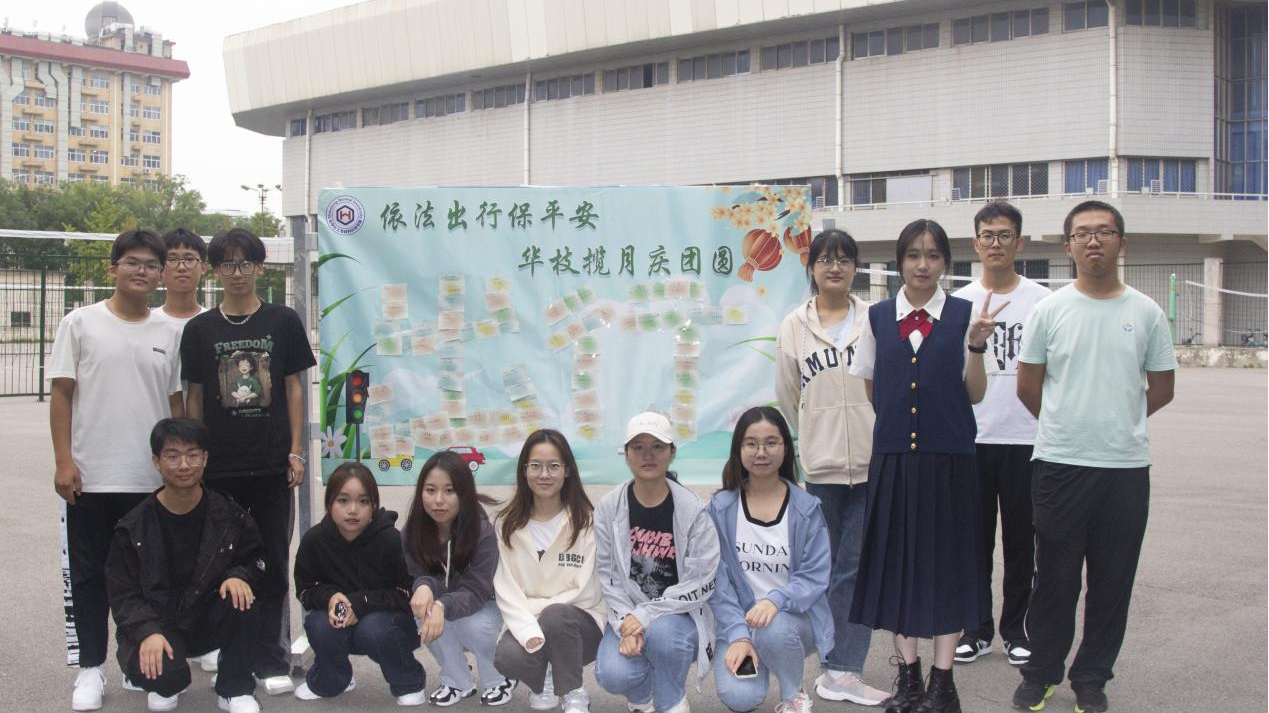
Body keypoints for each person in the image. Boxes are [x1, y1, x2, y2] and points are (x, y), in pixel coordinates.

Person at [1011, 201, 1176, 713]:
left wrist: (1117, 421)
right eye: (1082, 233)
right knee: (1055, 579)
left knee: (1112, 581)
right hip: (1060, 465)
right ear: (1068, 246)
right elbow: (1028, 386)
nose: (1093, 241)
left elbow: (1162, 388)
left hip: (1125, 470)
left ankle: (1092, 678)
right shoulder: (1050, 310)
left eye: (1104, 232)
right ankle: (1041, 674)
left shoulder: (1146, 312)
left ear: (1122, 242)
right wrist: (1068, 424)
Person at [848, 219, 1000, 713]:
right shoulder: (877, 317)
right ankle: (909, 677)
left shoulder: (965, 316)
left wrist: (975, 346)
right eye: (913, 255)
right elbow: (873, 387)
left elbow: (974, 393)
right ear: (899, 262)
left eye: (933, 256)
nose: (922, 265)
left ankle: (943, 682)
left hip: (950, 460)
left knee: (947, 567)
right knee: (898, 566)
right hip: (894, 461)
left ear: (946, 264)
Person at [48, 229, 184, 711]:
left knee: (150, 580)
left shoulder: (169, 333)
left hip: (150, 482)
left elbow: (176, 405)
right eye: (132, 262)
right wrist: (64, 461)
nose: (142, 271)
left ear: (160, 274)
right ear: (113, 268)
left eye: (151, 264)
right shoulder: (80, 323)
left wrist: (177, 467)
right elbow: (61, 393)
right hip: (91, 478)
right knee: (90, 577)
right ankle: (90, 668)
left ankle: (140, 665)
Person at [179, 227, 316, 694]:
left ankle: (271, 656)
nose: (237, 273)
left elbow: (294, 389)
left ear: (260, 267)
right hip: (220, 468)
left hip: (273, 465)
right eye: (227, 264)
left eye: (245, 264)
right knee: (220, 564)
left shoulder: (283, 321)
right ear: (214, 271)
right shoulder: (200, 330)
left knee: (273, 562)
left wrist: (295, 450)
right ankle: (227, 651)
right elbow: (195, 397)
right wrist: (197, 457)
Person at [775, 228, 887, 706]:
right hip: (821, 468)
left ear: (855, 267)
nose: (834, 267)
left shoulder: (875, 319)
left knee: (855, 568)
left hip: (871, 463)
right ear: (812, 268)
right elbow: (788, 395)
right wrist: (809, 438)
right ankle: (831, 664)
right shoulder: (794, 325)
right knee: (825, 570)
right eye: (825, 259)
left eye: (843, 259)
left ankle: (843, 669)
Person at [105, 418, 264, 713]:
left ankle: (235, 688)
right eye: (172, 456)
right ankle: (168, 676)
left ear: (205, 458)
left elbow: (254, 557)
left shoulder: (229, 514)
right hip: (159, 622)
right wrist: (146, 631)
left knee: (242, 598)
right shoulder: (134, 526)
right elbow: (122, 593)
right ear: (156, 461)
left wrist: (239, 575)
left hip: (206, 617)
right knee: (167, 678)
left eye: (192, 455)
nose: (183, 465)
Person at [950, 202, 1050, 667]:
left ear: (1019, 242)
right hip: (971, 440)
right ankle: (975, 629)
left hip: (1026, 439)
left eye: (1004, 235)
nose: (995, 243)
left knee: (1021, 544)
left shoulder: (1043, 301)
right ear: (975, 243)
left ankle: (1017, 629)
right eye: (987, 235)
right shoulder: (958, 303)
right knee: (972, 542)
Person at [708, 407, 833, 713]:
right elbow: (717, 582)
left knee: (772, 627)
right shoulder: (720, 508)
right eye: (751, 443)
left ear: (786, 448)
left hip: (793, 620)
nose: (761, 452)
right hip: (738, 621)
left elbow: (814, 576)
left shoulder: (806, 508)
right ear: (738, 449)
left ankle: (793, 695)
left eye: (771, 442)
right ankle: (758, 651)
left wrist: (775, 600)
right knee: (740, 699)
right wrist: (739, 635)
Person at [594, 412, 720, 713]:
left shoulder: (693, 510)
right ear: (626, 454)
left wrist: (646, 615)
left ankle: (670, 700)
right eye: (638, 447)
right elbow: (607, 575)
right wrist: (626, 623)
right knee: (612, 673)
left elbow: (702, 579)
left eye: (657, 447)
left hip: (678, 614)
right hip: (628, 611)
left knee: (663, 636)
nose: (647, 455)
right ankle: (643, 696)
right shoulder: (609, 507)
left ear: (672, 452)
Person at [292, 462, 425, 705]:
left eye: (363, 501)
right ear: (329, 503)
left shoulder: (390, 539)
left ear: (374, 505)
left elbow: (407, 591)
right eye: (343, 500)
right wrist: (331, 598)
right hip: (338, 619)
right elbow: (304, 589)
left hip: (387, 622)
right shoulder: (315, 540)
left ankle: (408, 681)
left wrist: (360, 602)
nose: (353, 510)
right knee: (318, 624)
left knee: (374, 628)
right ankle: (331, 680)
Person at [493, 430, 604, 713]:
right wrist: (530, 625)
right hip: (528, 619)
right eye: (536, 466)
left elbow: (587, 590)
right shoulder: (506, 524)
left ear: (567, 471)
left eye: (554, 466)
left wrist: (539, 612)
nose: (544, 474)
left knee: (556, 617)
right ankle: (544, 681)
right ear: (524, 470)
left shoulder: (587, 522)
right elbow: (506, 588)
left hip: (579, 622)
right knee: (508, 658)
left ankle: (573, 690)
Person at [402, 451, 517, 707]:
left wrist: (442, 604)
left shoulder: (482, 531)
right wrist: (423, 586)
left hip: (485, 606)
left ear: (464, 493)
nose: (438, 500)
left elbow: (477, 589)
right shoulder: (412, 532)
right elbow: (416, 573)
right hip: (444, 603)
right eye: (430, 490)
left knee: (473, 625)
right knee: (423, 615)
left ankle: (498, 677)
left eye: (449, 491)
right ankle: (456, 679)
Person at [155, 228, 208, 328]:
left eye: (189, 259)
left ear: (203, 268)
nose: (181, 267)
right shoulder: (149, 322)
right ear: (160, 267)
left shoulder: (213, 323)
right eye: (172, 259)